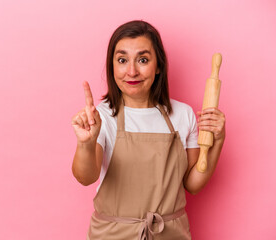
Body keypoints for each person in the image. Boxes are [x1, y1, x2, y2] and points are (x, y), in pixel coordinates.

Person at [71, 20, 225, 240]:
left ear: (158, 65)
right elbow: (86, 177)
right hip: (113, 235)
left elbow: (193, 184)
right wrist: (85, 143)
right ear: (112, 66)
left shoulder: (183, 115)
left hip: (171, 234)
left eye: (143, 60)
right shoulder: (102, 116)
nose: (132, 71)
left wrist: (218, 140)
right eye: (122, 60)